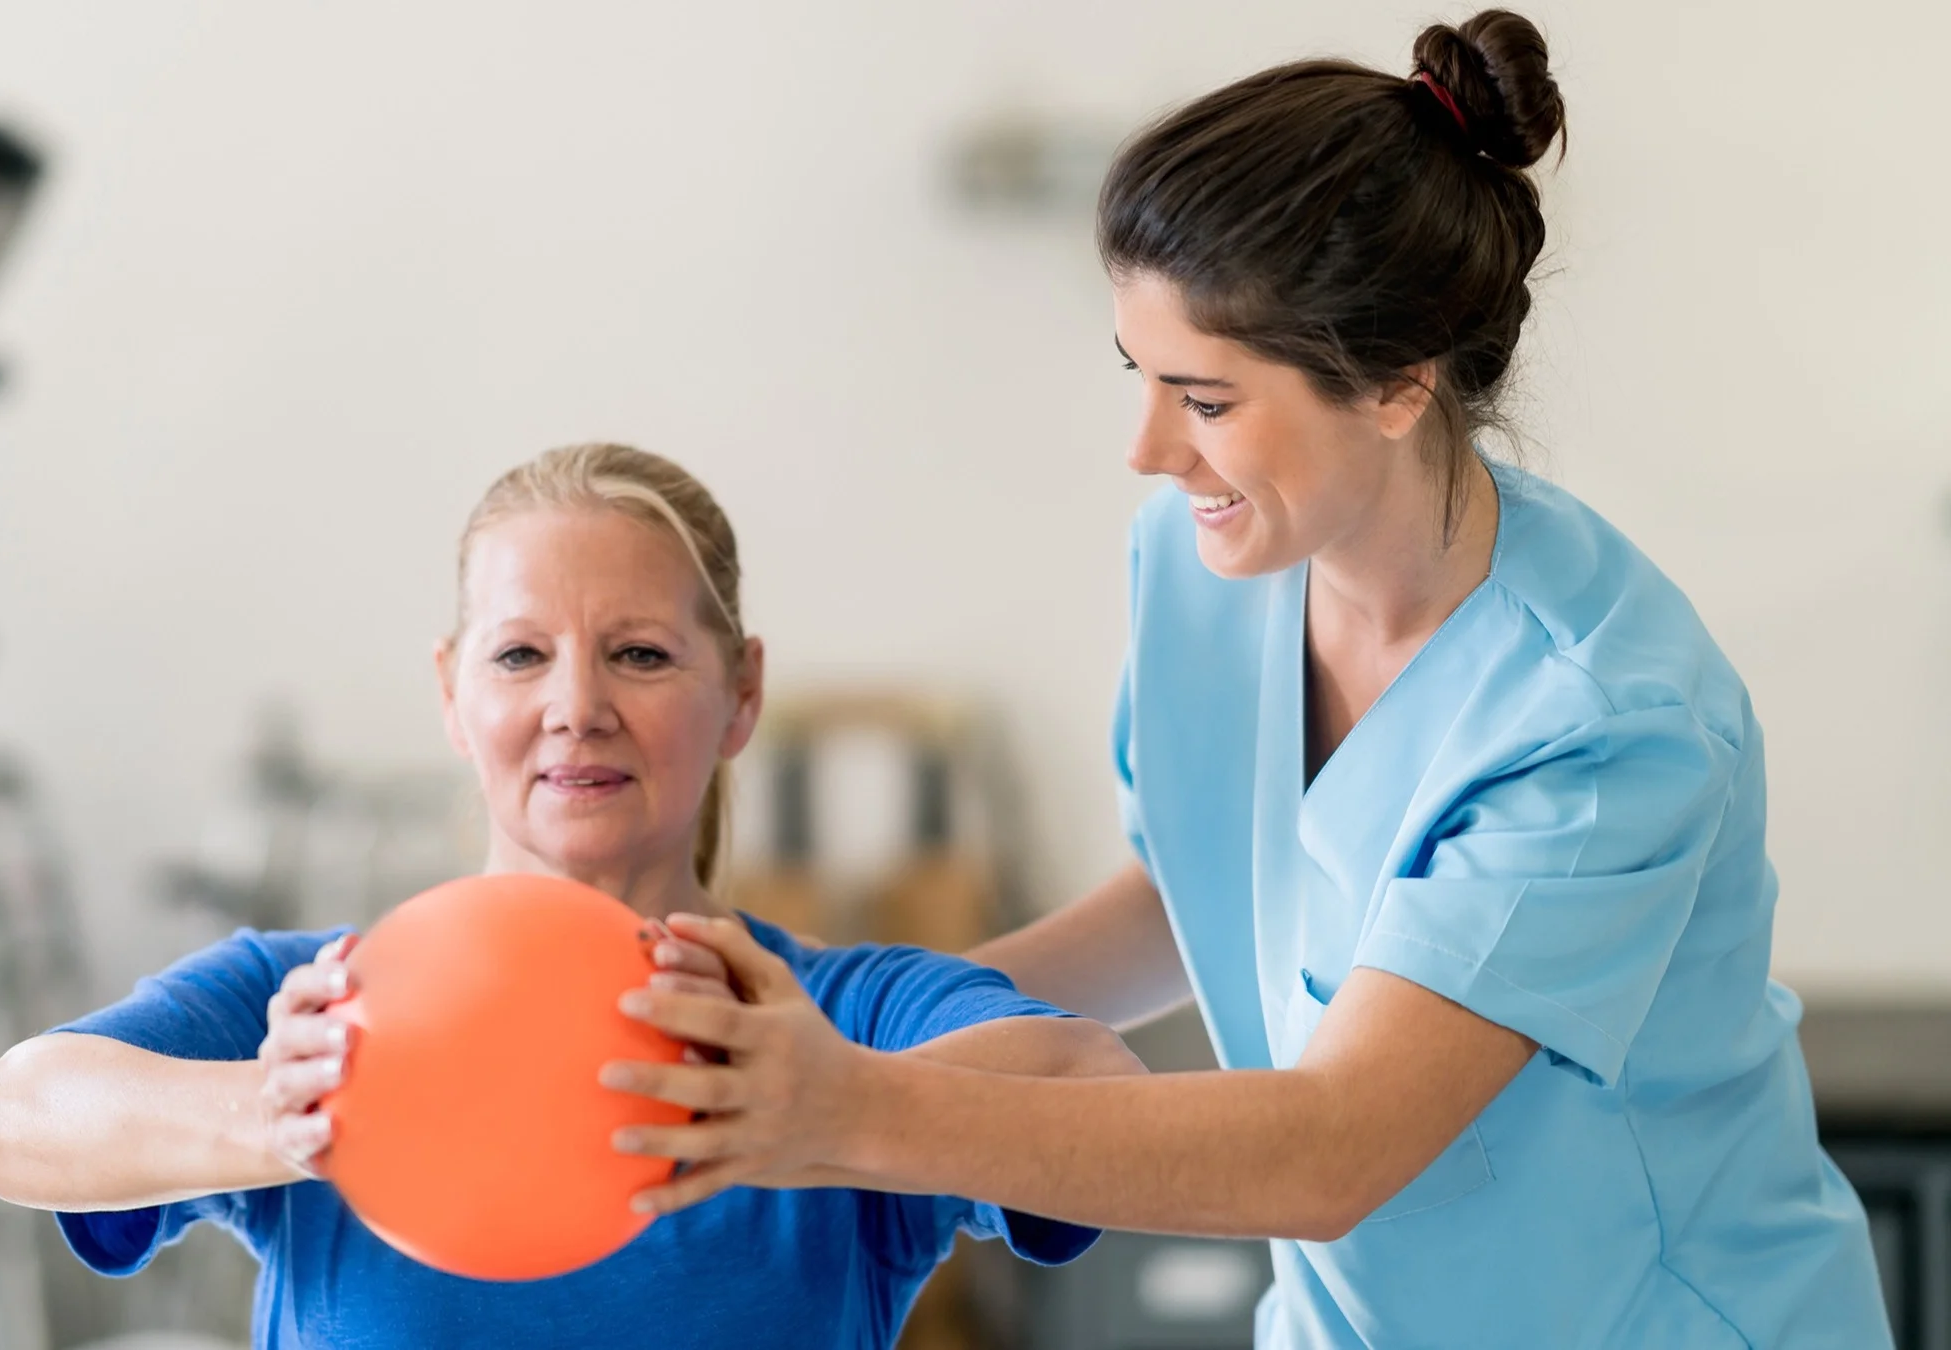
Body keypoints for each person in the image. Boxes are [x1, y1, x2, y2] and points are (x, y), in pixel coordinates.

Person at [599, 13, 1893, 1346]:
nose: (1149, 450)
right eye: (1139, 378)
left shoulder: (1603, 722)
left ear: (1396, 384)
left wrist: (857, 1108)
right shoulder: (1211, 560)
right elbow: (1198, 888)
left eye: (1205, 399)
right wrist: (828, 1027)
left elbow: (1330, 1149)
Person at [0, 443, 1142, 1350]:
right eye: (521, 655)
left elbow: (1097, 1092)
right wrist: (280, 1115)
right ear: (453, 695)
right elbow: (2, 1121)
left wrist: (834, 1103)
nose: (578, 706)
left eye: (641, 654)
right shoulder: (310, 1006)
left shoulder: (831, 1013)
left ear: (741, 692)